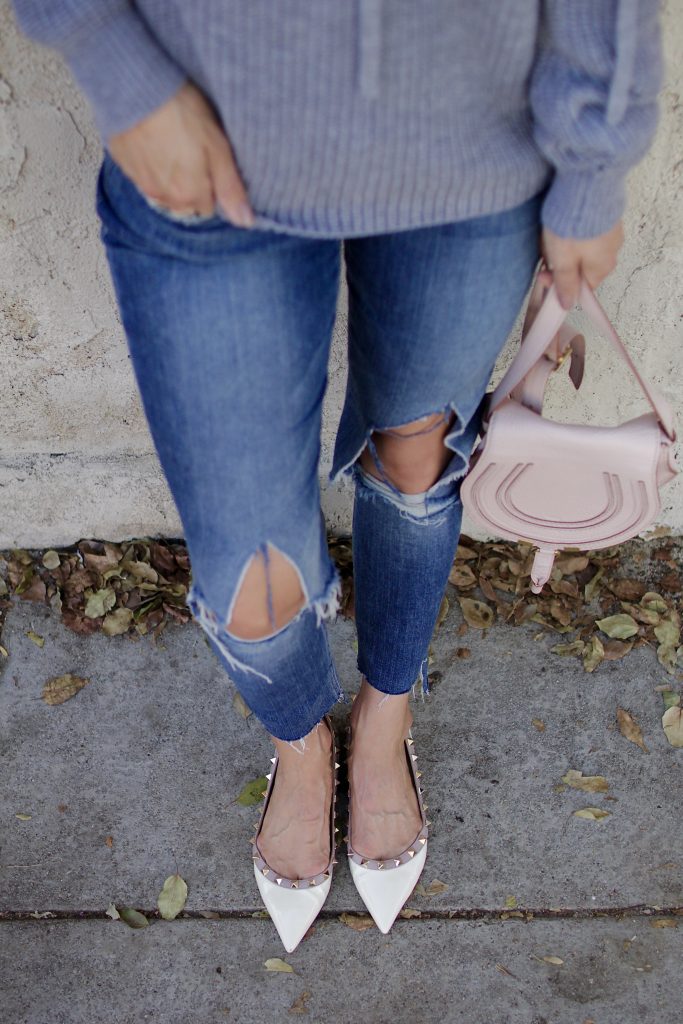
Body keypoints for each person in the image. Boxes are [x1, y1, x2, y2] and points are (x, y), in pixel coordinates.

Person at [10, 1, 662, 951]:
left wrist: (594, 166)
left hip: (473, 141)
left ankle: (382, 721)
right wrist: (123, 70)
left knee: (416, 466)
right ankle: (299, 745)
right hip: (208, 121)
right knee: (249, 575)